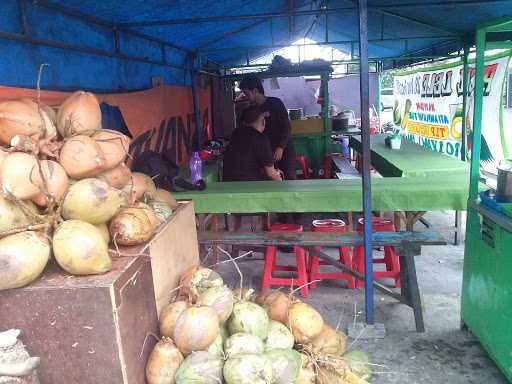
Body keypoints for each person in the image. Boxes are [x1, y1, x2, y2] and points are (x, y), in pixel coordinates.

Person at [239, 76, 296, 181]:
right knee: (270, 182)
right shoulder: (252, 110)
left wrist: (281, 147)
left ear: (255, 91)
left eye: (247, 93)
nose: (246, 97)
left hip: (284, 150)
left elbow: (287, 127)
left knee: (289, 181)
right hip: (265, 153)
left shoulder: (275, 103)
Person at [223, 105, 282, 182]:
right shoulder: (261, 138)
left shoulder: (235, 135)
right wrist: (278, 177)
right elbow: (271, 174)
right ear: (263, 122)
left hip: (228, 184)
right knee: (278, 179)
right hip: (248, 186)